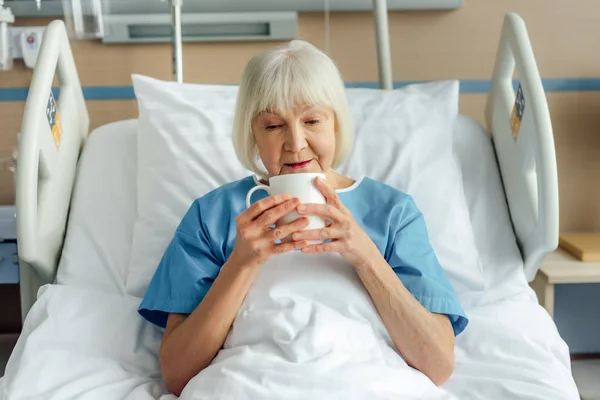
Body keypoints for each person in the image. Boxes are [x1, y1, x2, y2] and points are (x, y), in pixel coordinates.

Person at [138, 40, 468, 397]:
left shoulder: (392, 212)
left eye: (312, 120)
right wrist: (242, 263)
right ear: (252, 134)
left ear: (336, 124)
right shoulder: (212, 215)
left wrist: (366, 257)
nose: (296, 143)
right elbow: (177, 373)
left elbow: (437, 363)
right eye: (273, 126)